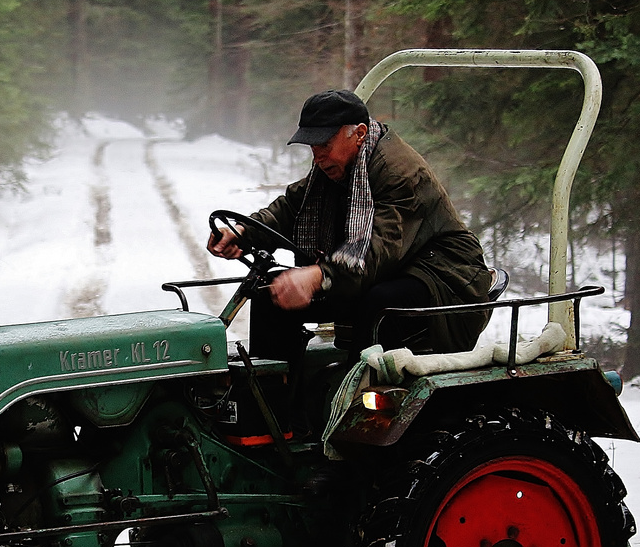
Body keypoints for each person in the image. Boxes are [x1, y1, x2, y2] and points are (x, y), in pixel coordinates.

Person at [208, 89, 495, 360]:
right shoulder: (334, 167)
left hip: (441, 275)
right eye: (312, 147)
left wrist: (319, 275)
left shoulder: (400, 173)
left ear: (358, 134)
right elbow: (292, 208)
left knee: (380, 302)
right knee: (270, 293)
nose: (317, 157)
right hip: (386, 267)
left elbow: (378, 249)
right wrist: (244, 233)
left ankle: (355, 399)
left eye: (324, 145)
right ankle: (277, 401)